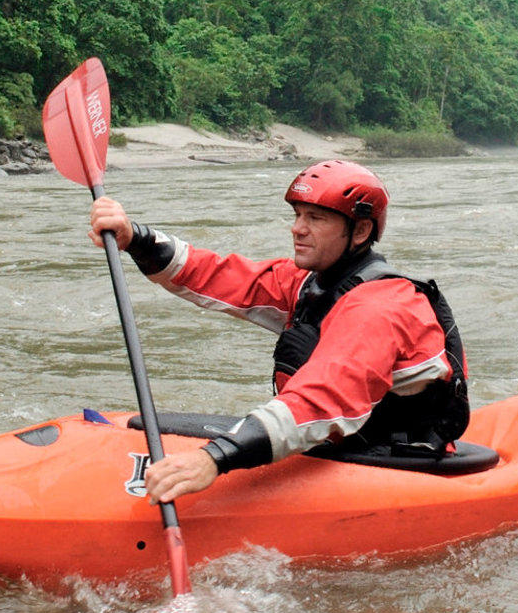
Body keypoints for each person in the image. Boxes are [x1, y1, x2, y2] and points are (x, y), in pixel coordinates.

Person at [87, 159, 469, 504]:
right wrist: (134, 238)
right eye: (298, 214)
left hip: (394, 461)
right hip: (342, 442)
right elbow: (221, 276)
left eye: (316, 219)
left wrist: (214, 460)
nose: (297, 228)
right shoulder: (310, 282)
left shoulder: (382, 305)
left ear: (360, 230)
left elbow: (324, 397)